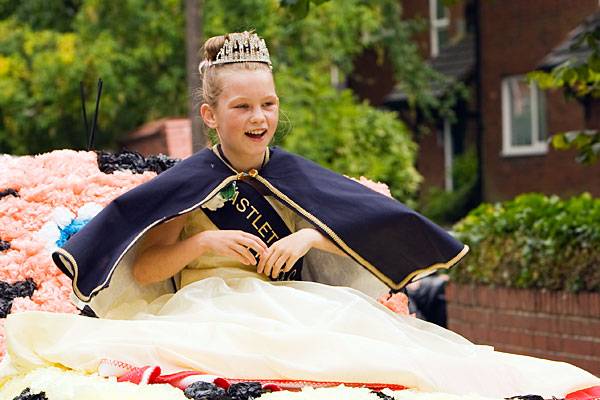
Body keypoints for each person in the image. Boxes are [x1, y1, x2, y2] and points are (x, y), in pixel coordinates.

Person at [1, 31, 599, 399]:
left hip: (299, 304)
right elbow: (151, 267)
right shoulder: (186, 183)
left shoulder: (297, 174)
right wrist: (203, 246)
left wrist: (311, 234)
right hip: (206, 309)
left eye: (268, 103)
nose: (258, 116)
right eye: (241, 106)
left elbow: (369, 237)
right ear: (212, 116)